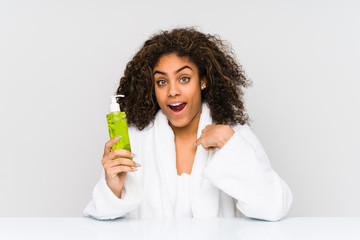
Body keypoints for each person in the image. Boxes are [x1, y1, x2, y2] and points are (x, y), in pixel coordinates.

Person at [83, 27, 293, 221]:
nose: (172, 91)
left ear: (203, 81)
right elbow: (99, 219)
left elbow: (273, 207)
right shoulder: (135, 140)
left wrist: (228, 142)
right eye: (162, 82)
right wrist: (113, 188)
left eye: (184, 78)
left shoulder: (234, 136)